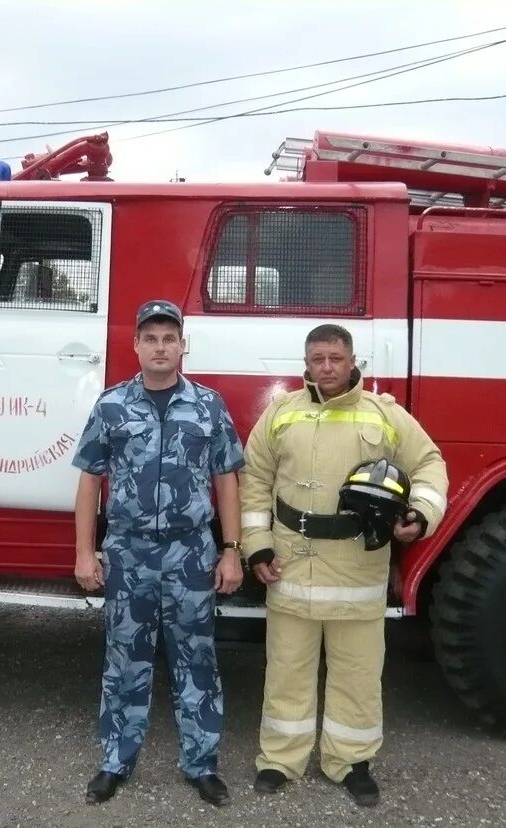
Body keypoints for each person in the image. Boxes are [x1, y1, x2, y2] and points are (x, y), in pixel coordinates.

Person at [239, 323, 448, 807]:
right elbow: (253, 483)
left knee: (357, 674)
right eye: (318, 359)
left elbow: (430, 464)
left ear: (352, 361)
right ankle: (279, 761)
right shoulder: (280, 415)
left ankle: (351, 762)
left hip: (358, 571)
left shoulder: (386, 415)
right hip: (289, 567)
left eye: (336, 358)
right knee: (286, 671)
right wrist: (258, 546)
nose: (327, 367)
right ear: (306, 363)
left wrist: (421, 514)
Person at [71, 298, 246, 807]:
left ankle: (201, 764)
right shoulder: (111, 406)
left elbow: (227, 481)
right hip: (129, 554)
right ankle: (115, 762)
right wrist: (86, 552)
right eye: (151, 338)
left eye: (169, 338)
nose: (160, 347)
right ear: (136, 346)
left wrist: (230, 551)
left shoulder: (209, 406)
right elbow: (89, 484)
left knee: (197, 658)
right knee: (125, 659)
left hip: (192, 551)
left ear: (181, 345)